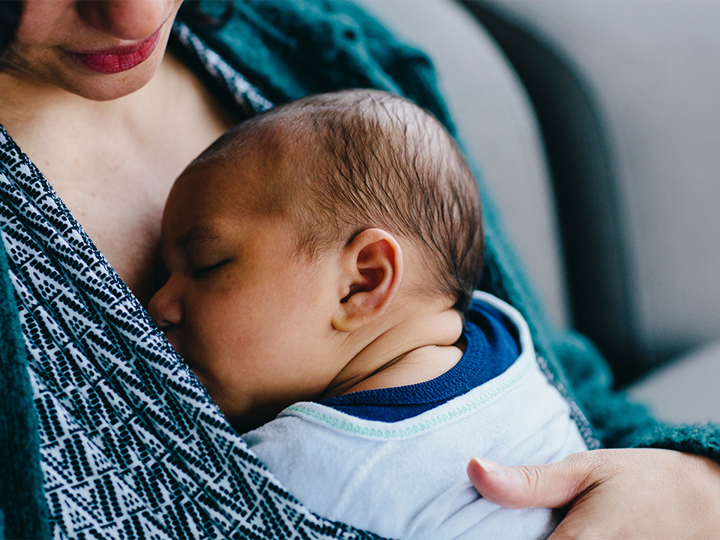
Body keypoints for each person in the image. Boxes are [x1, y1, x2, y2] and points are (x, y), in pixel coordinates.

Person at [0, 1, 718, 539]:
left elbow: (579, 398)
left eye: (211, 263)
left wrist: (695, 481)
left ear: (368, 277)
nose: (134, 12)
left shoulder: (323, 56)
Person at [147, 88, 589, 538]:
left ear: (363, 282)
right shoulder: (505, 340)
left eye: (206, 264)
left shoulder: (289, 476)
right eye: (161, 275)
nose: (155, 306)